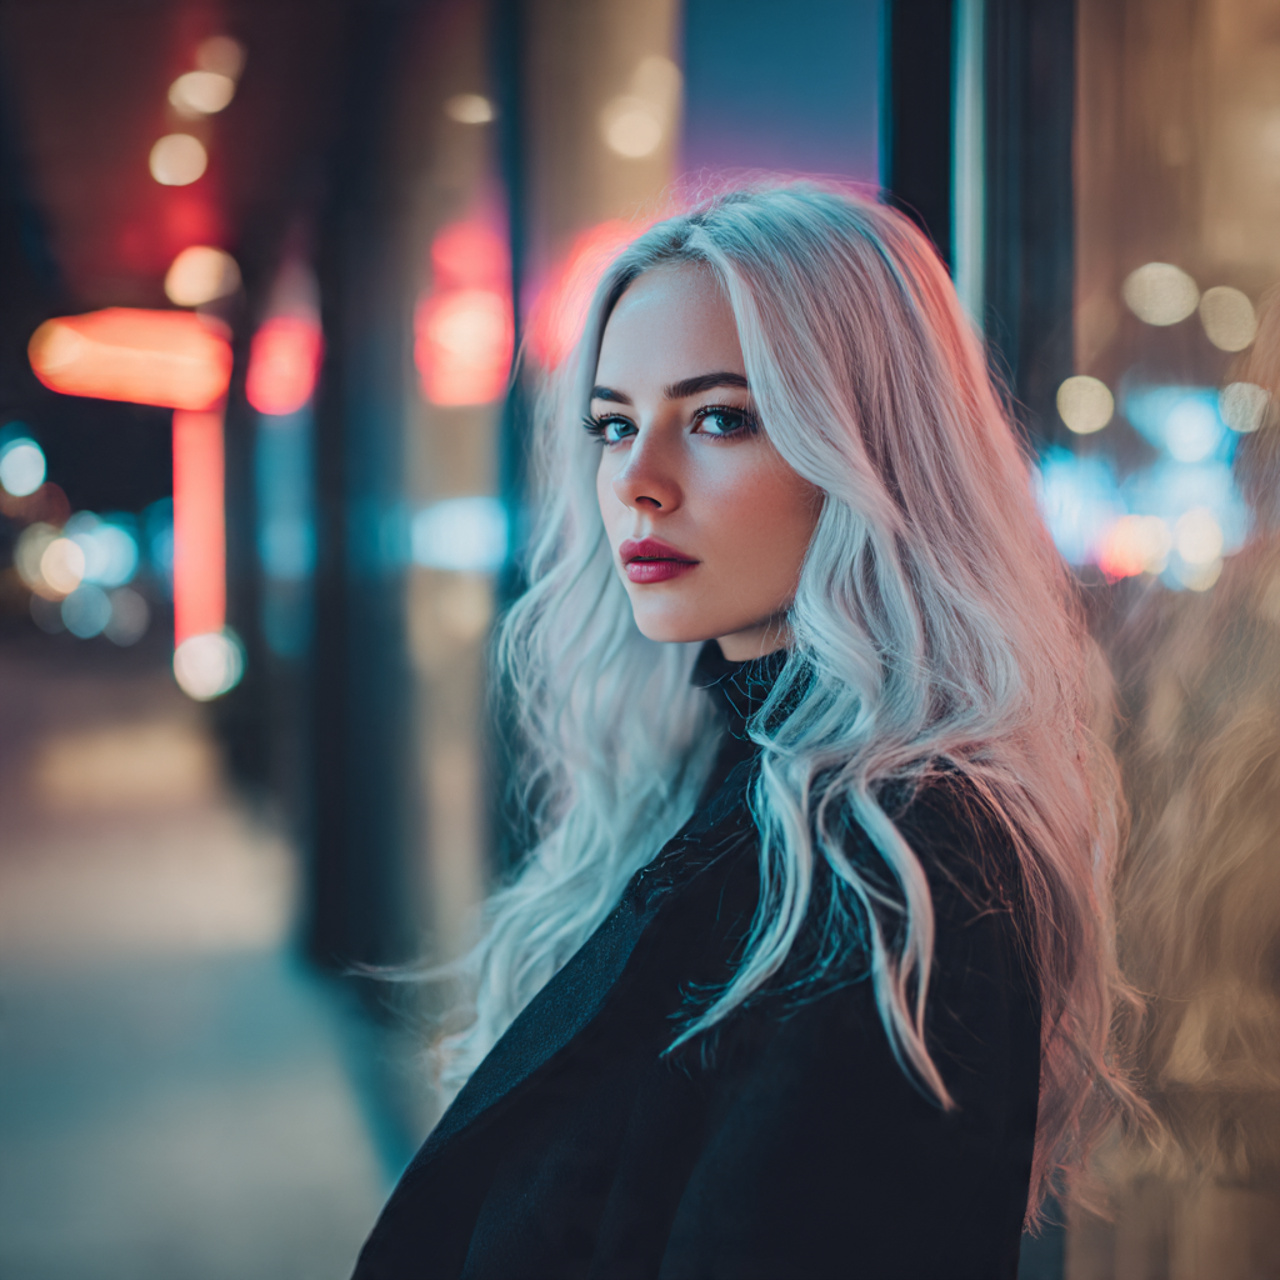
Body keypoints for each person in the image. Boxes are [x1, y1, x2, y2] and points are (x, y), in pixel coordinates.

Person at [352, 182, 1135, 1279]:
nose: (636, 480)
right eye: (613, 424)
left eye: (719, 416)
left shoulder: (894, 866)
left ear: (867, 449)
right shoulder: (720, 780)